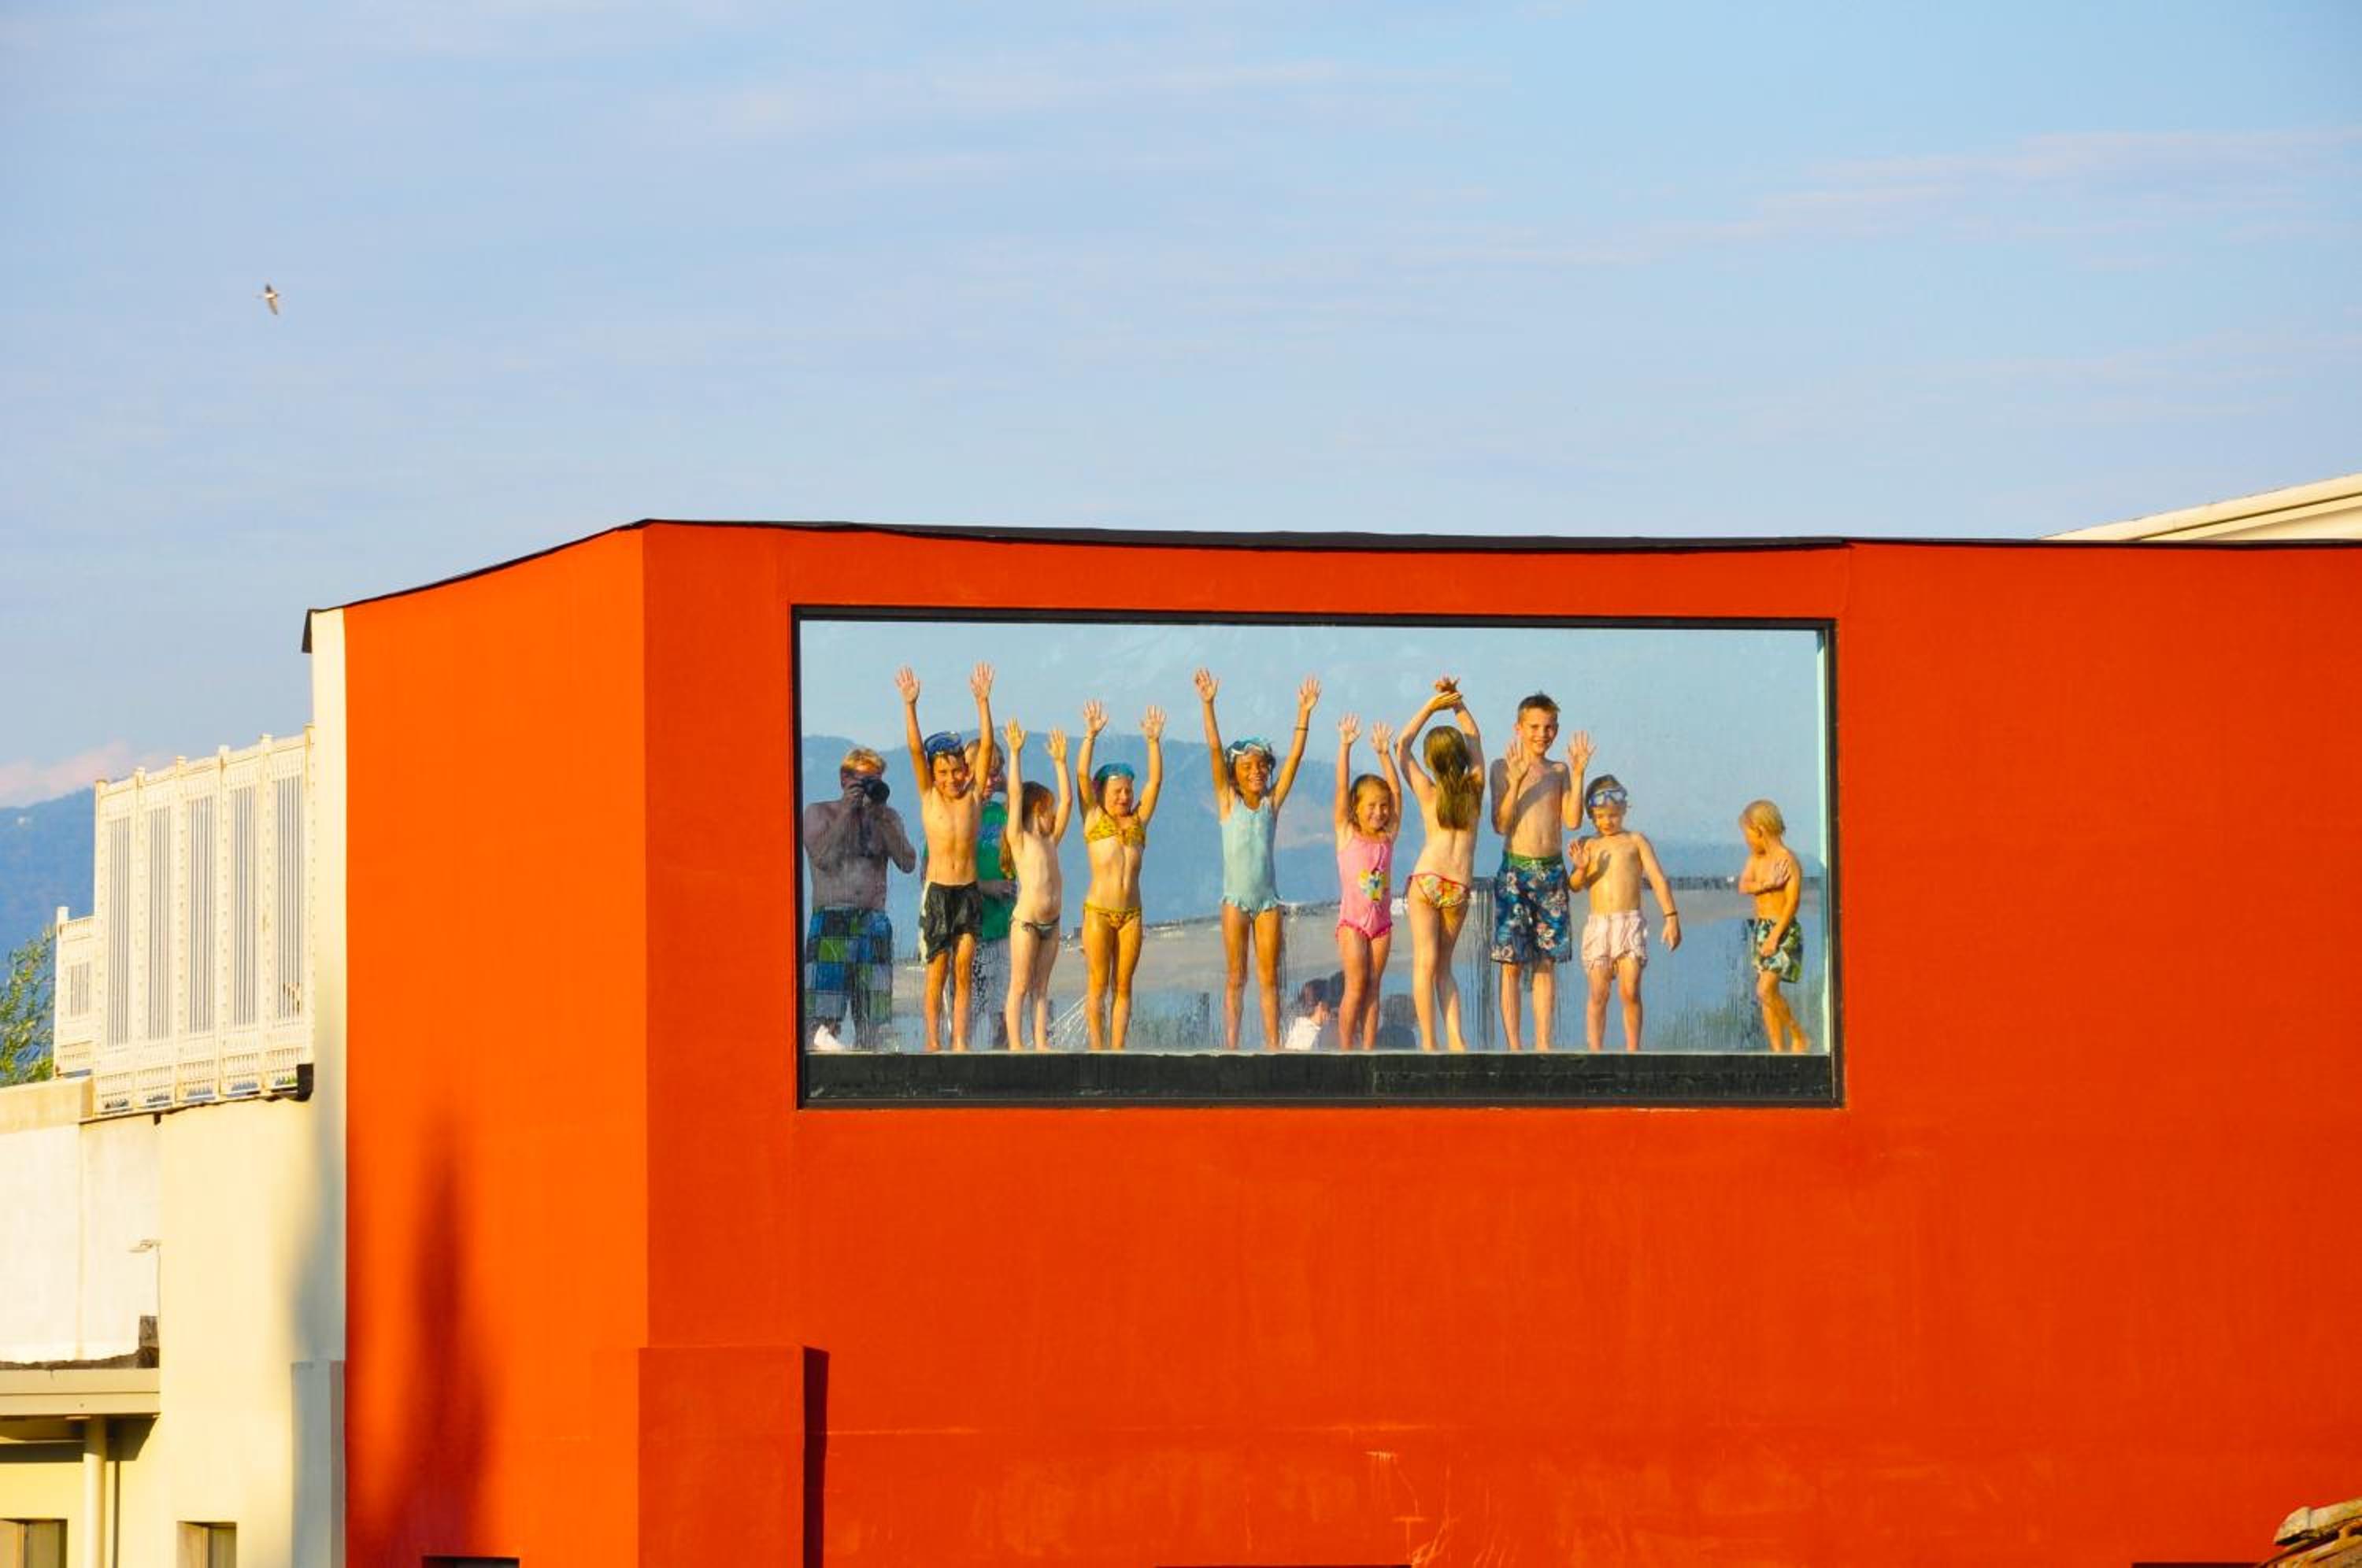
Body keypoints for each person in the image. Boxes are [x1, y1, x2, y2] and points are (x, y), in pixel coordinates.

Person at [1193, 668, 1320, 1050]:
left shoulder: (1271, 804)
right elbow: (1214, 749)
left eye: (1262, 766)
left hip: (1267, 902)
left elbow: (1295, 758)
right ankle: (1231, 1045)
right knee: (1236, 977)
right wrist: (1208, 704)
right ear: (1235, 774)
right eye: (1248, 767)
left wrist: (1304, 715)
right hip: (1235, 901)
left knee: (1269, 979)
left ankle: (1272, 1045)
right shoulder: (1228, 802)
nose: (1257, 772)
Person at [894, 662, 997, 1052]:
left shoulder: (973, 797)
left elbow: (986, 747)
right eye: (944, 773)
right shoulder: (929, 796)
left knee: (964, 967)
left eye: (956, 771)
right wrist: (910, 706)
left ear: (965, 771)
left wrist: (983, 703)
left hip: (967, 891)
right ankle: (934, 1040)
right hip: (938, 892)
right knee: (937, 969)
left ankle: (960, 1040)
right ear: (934, 775)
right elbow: (914, 751)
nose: (951, 778)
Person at [1487, 693, 1590, 1051]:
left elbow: (1573, 820)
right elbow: (1500, 824)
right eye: (1534, 727)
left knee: (1547, 962)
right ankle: (1515, 1046)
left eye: (1548, 728)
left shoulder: (1559, 771)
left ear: (1556, 730)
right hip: (1515, 871)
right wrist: (1516, 781)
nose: (1541, 734)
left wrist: (1579, 772)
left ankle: (1544, 1044)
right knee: (1511, 962)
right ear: (1518, 728)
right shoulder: (1501, 767)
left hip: (1551, 872)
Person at [799, 745, 916, 1049]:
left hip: (873, 921)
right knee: (823, 1018)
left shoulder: (887, 818)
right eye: (863, 780)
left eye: (875, 780)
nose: (868, 788)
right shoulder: (819, 813)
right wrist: (847, 812)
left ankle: (871, 1060)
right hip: (832, 918)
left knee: (874, 1016)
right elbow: (823, 858)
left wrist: (881, 818)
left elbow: (907, 863)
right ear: (844, 779)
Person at [1394, 678, 1485, 1052]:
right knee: (1444, 968)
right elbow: (1475, 737)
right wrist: (1457, 703)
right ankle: (1456, 1038)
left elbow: (1402, 746)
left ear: (1431, 761)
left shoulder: (1428, 792)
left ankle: (1430, 1042)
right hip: (1458, 886)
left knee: (1424, 963)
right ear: (1462, 758)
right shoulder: (1475, 789)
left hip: (1427, 878)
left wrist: (1431, 707)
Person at [1075, 699, 1165, 1052]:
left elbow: (1155, 782)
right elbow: (1081, 776)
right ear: (1102, 794)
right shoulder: (1094, 819)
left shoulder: (1138, 822)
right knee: (1098, 983)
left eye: (1128, 790)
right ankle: (1098, 1048)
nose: (1125, 797)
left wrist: (1153, 742)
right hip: (1099, 912)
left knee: (1124, 985)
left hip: (1131, 915)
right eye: (1118, 791)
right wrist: (1090, 736)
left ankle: (1118, 1048)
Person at [1570, 773, 1682, 1052]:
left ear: (1623, 810)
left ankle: (1633, 1050)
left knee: (1630, 990)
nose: (1607, 822)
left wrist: (1671, 917)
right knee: (1599, 992)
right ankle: (1595, 1051)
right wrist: (1581, 868)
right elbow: (1575, 885)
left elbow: (1657, 878)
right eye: (1600, 817)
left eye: (1613, 815)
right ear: (1591, 816)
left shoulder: (1636, 841)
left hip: (1629, 923)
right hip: (1600, 925)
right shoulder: (1588, 844)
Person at [1000, 721, 1074, 1052]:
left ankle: (1041, 1042)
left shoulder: (1051, 840)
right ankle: (1016, 1045)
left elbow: (1069, 802)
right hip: (1027, 923)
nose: (1054, 815)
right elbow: (1015, 795)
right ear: (1034, 811)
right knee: (1019, 985)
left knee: (1041, 988)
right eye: (1048, 810)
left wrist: (1060, 763)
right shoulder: (1020, 839)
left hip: (1051, 923)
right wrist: (1015, 753)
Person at [1331, 714, 1401, 1052]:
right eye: (1371, 806)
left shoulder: (1388, 836)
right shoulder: (1347, 833)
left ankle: (1369, 1049)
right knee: (1356, 986)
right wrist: (1345, 747)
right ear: (1356, 808)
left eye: (1383, 806)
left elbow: (1398, 792)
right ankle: (1347, 1049)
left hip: (1381, 926)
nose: (1379, 812)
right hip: (1353, 924)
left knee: (1374, 987)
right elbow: (1341, 790)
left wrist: (1385, 755)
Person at [1736, 798, 1811, 1054]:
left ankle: (1798, 1035)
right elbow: (1743, 885)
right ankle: (1778, 1050)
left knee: (1765, 989)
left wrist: (1775, 936)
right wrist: (1767, 884)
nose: (1747, 841)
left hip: (1783, 930)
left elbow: (1793, 902)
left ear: (1760, 830)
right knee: (1767, 997)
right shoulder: (1756, 860)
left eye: (1747, 835)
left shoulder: (1787, 860)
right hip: (1762, 928)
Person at [1282, 974, 1335, 1052]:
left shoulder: (1295, 1027)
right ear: (1321, 1004)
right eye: (1330, 1003)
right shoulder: (1315, 1038)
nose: (1331, 1010)